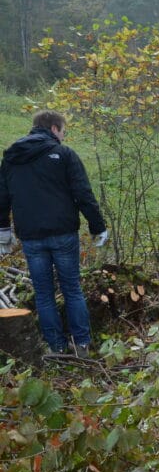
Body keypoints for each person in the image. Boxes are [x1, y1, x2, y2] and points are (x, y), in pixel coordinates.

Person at [0, 110, 107, 357]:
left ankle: (57, 347)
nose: (63, 137)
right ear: (54, 129)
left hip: (31, 236)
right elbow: (83, 194)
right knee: (71, 289)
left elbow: (2, 197)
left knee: (44, 292)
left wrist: (3, 229)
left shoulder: (12, 157)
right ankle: (81, 345)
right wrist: (97, 227)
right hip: (63, 233)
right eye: (63, 132)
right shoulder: (65, 154)